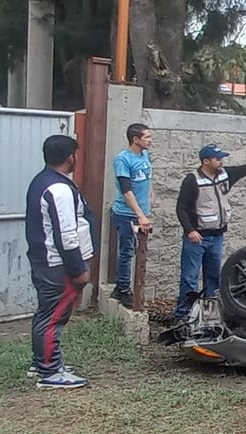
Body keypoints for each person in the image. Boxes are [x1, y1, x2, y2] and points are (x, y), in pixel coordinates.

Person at [173, 143, 246, 321]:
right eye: (217, 159)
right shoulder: (192, 180)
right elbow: (181, 208)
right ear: (206, 161)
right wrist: (190, 231)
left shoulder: (225, 175)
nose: (221, 162)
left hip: (217, 235)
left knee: (213, 277)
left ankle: (210, 315)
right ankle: (183, 314)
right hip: (197, 237)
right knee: (190, 278)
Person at [25, 135, 97, 389]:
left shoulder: (42, 181)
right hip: (58, 266)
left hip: (46, 261)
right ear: (71, 157)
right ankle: (50, 372)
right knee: (53, 317)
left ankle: (42, 363)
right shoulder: (59, 190)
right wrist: (78, 269)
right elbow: (66, 234)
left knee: (46, 314)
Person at [110, 123, 153, 308]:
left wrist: (151, 196)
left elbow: (147, 179)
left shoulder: (145, 155)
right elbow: (126, 190)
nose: (150, 140)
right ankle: (123, 289)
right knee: (127, 251)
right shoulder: (123, 159)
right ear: (136, 139)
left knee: (139, 251)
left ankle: (123, 287)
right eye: (147, 137)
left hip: (141, 213)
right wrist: (139, 215)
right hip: (126, 214)